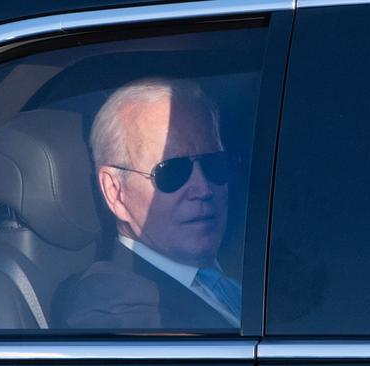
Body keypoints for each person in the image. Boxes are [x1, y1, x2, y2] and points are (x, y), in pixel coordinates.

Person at [63, 78, 241, 329]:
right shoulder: (114, 311)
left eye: (214, 164)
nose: (203, 188)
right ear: (115, 192)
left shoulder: (224, 276)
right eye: (172, 172)